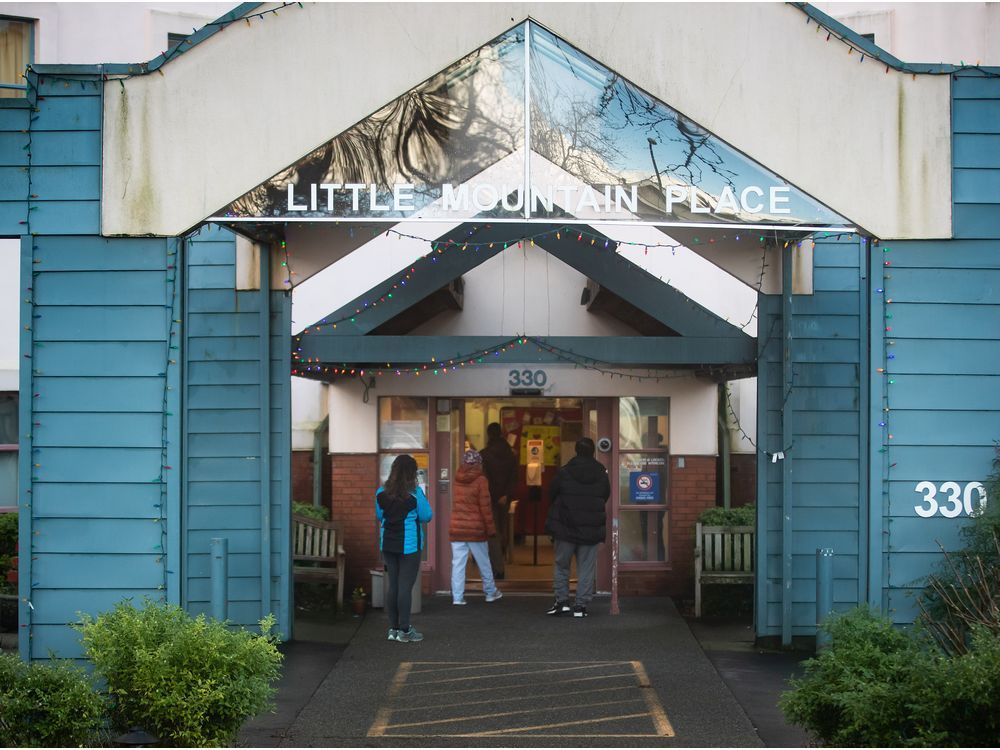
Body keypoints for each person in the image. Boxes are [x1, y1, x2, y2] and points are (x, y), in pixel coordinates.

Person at [544, 437, 610, 618]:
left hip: (565, 527)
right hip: (590, 529)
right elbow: (605, 495)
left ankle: (562, 602)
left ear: (576, 450)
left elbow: (551, 493)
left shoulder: (565, 471)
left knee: (561, 565)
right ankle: (581, 606)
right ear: (593, 452)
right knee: (586, 568)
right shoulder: (601, 473)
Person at [375, 454, 433, 642]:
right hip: (409, 545)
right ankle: (405, 631)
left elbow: (380, 516)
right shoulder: (415, 494)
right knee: (405, 587)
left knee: (394, 585)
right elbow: (426, 516)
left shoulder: (381, 492)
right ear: (412, 473)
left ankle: (393, 629)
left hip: (388, 544)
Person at [449, 449, 503, 605]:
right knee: (484, 562)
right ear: (479, 464)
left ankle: (457, 597)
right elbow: (485, 507)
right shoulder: (481, 480)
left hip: (457, 528)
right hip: (476, 529)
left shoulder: (457, 478)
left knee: (458, 564)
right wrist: (491, 529)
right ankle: (490, 592)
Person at [480, 422, 517, 578]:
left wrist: (492, 495)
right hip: (504, 498)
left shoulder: (484, 454)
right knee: (503, 530)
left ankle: (498, 568)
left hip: (489, 498)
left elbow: (483, 478)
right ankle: (503, 558)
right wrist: (506, 495)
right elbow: (515, 478)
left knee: (492, 532)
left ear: (488, 434)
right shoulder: (511, 454)